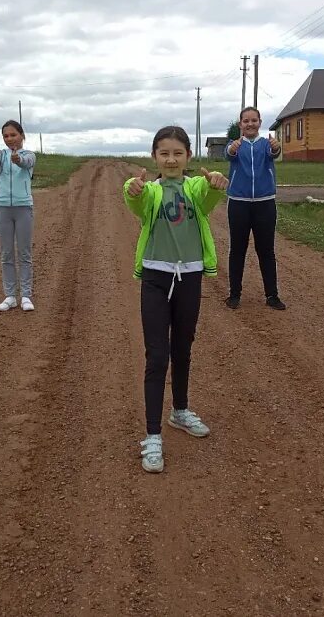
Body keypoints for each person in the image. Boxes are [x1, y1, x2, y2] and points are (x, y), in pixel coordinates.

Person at [123, 126, 229, 473]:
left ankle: (179, 411)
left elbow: (209, 197)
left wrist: (215, 183)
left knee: (183, 347)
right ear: (154, 157)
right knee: (157, 355)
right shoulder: (151, 191)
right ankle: (153, 435)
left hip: (190, 277)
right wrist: (133, 188)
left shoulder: (194, 187)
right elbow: (135, 201)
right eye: (164, 153)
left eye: (177, 153)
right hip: (155, 278)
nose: (171, 159)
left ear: (188, 157)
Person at [223, 106, 285, 310]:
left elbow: (275, 153)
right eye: (246, 121)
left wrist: (276, 147)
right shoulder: (235, 145)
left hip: (265, 203)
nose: (250, 124)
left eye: (254, 120)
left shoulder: (267, 144)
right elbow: (229, 154)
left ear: (260, 122)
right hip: (238, 203)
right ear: (240, 124)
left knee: (266, 250)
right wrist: (232, 149)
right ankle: (234, 295)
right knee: (237, 250)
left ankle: (272, 295)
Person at [0, 120, 37, 312]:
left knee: (24, 253)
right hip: (2, 208)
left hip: (23, 208)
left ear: (22, 135)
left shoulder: (30, 155)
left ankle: (26, 295)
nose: (10, 139)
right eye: (6, 136)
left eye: (13, 135)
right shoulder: (1, 155)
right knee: (6, 253)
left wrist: (18, 160)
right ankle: (10, 296)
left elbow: (25, 163)